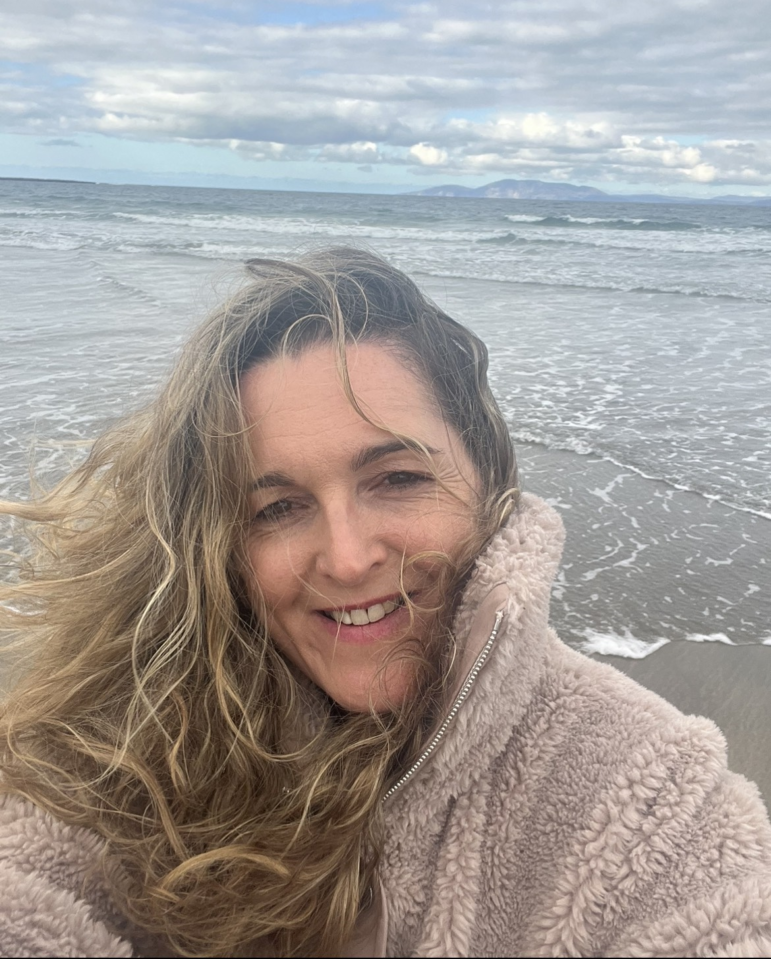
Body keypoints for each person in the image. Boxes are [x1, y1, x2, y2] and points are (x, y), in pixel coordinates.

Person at [1, 247, 770, 959]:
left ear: (488, 480)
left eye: (397, 478)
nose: (346, 558)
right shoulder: (126, 744)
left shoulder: (643, 790)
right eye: (277, 508)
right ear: (219, 547)